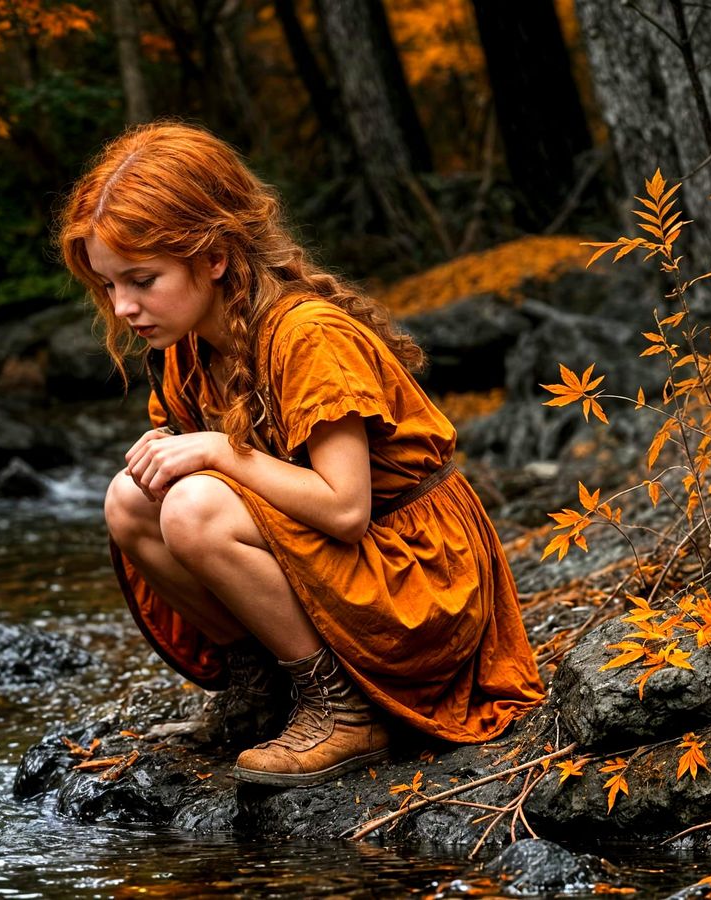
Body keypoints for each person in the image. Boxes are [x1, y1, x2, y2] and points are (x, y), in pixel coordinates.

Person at [56, 122, 545, 788]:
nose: (125, 307)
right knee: (131, 499)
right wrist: (170, 453)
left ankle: (343, 712)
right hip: (351, 564)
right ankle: (263, 688)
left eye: (143, 280)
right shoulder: (184, 350)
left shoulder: (305, 335)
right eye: (110, 286)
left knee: (194, 507)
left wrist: (217, 455)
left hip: (419, 581)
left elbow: (345, 510)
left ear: (216, 257)